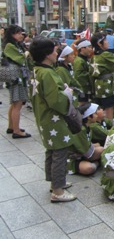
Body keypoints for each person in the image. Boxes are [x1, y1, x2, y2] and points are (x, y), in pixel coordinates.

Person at [29, 37, 77, 202]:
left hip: (44, 117)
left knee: (51, 150)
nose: (57, 53)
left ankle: (56, 182)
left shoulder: (37, 70)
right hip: (53, 118)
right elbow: (56, 100)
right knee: (60, 152)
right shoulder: (48, 73)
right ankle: (58, 191)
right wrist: (68, 93)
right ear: (47, 54)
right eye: (55, 51)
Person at [2, 25, 31, 138]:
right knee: (17, 104)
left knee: (14, 104)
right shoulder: (10, 46)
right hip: (16, 77)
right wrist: (26, 54)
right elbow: (20, 59)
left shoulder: (15, 45)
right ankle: (17, 130)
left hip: (16, 77)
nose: (21, 35)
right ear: (12, 34)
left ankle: (12, 126)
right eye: (18, 33)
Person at [66, 103, 104, 176]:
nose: (97, 115)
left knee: (101, 149)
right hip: (72, 158)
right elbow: (88, 153)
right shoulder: (81, 129)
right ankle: (96, 163)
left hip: (82, 153)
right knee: (89, 168)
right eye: (95, 114)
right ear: (89, 117)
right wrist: (95, 146)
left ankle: (95, 163)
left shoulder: (87, 127)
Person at [72, 39, 93, 104]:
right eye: (89, 47)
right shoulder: (79, 61)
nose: (91, 49)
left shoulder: (84, 59)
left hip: (86, 89)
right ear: (82, 48)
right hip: (82, 89)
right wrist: (92, 73)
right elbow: (79, 76)